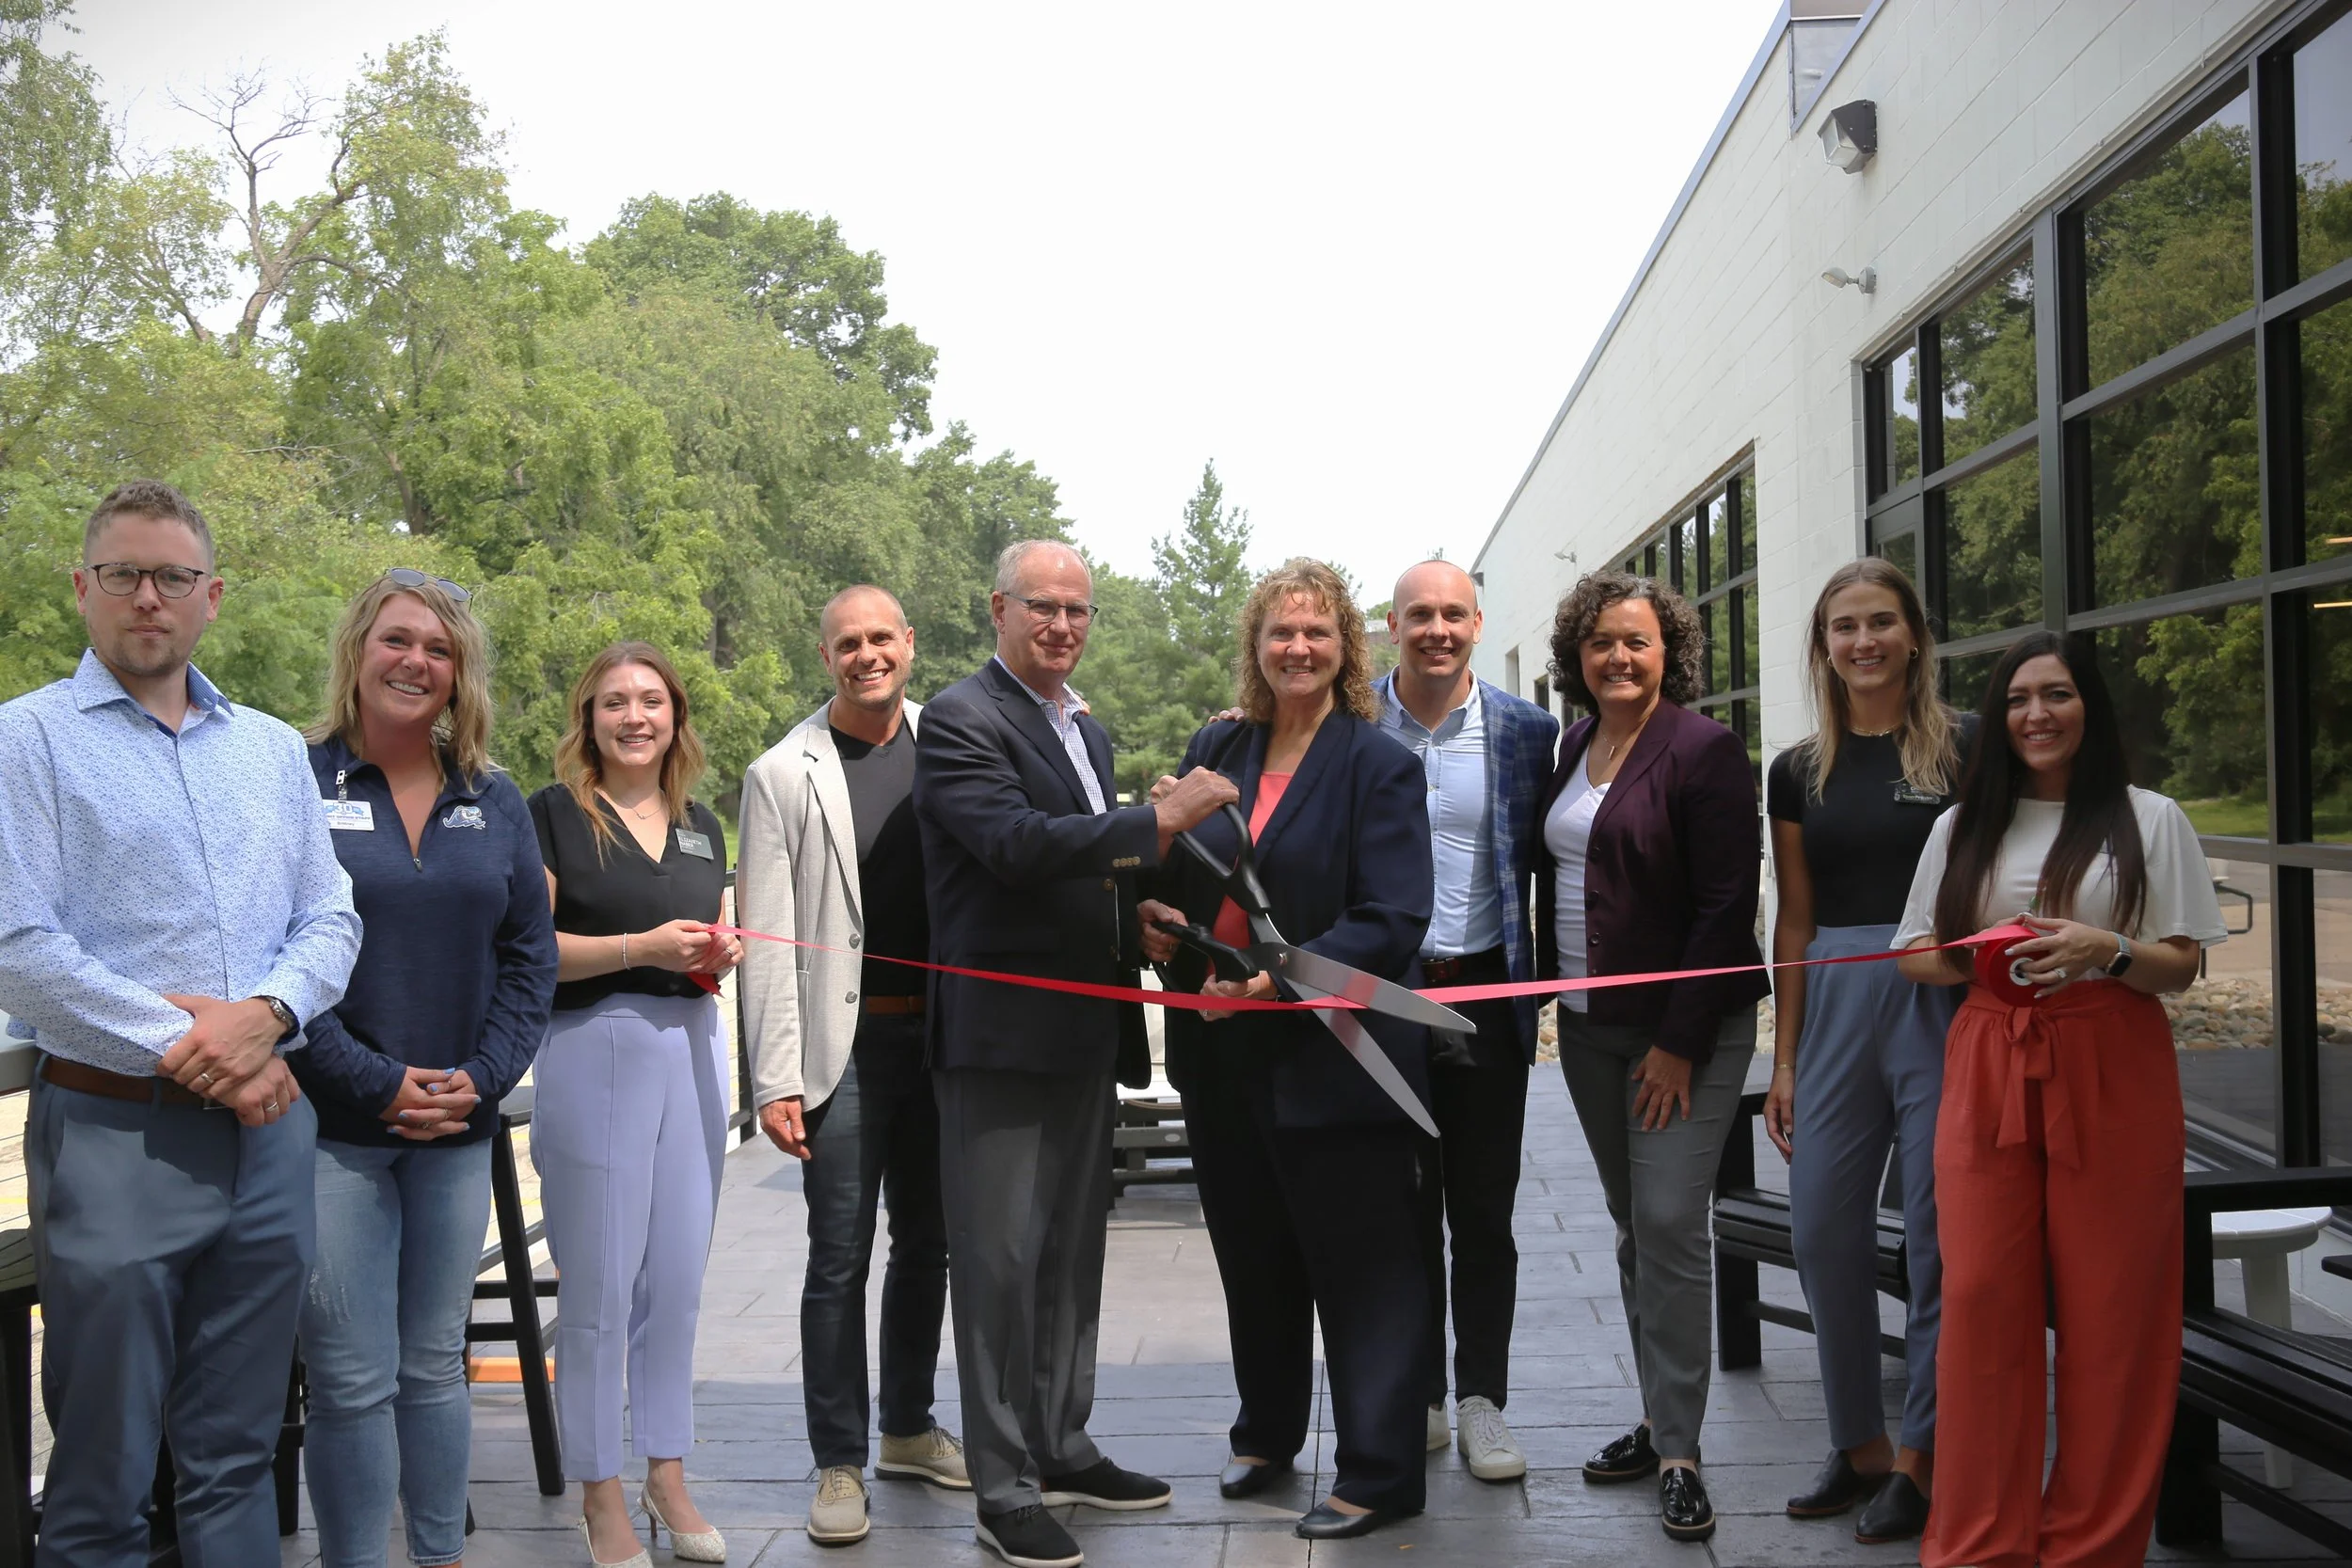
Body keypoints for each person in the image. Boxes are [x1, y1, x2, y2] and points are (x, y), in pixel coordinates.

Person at [0, 480, 361, 1568]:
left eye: (171, 577)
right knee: (103, 1469)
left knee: (237, 1454)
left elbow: (331, 913)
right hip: (117, 1136)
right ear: (83, 589)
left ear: (212, 596)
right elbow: (21, 946)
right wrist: (202, 1049)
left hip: (268, 1139)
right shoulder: (27, 741)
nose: (146, 597)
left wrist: (267, 1013)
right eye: (123, 574)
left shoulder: (264, 748)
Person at [913, 539, 1236, 1568]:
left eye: (1078, 610)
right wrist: (1159, 819)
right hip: (1000, 1039)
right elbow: (1010, 844)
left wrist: (1126, 910)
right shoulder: (962, 718)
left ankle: (1062, 1440)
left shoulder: (1077, 723)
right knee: (1000, 1262)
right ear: (997, 607)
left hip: (1083, 1027)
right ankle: (1002, 1483)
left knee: (1068, 1256)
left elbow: (1071, 862)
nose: (1061, 624)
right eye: (1042, 607)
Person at [1896, 630, 2226, 1568]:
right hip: (1990, 1054)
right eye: (2016, 699)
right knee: (1982, 1298)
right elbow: (1914, 951)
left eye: (2057, 694)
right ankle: (1979, 1538)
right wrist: (1983, 951)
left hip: (2110, 1058)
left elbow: (2179, 964)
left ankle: (2089, 1542)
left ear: (2089, 708)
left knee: (2114, 1310)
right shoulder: (1961, 825)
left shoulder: (2147, 816)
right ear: (1996, 719)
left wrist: (2102, 950)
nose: (2036, 714)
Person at [1140, 558, 1437, 1541]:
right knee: (1252, 1252)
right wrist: (1153, 918)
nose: (1297, 648)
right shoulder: (1215, 743)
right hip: (1221, 1048)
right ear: (1255, 644)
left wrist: (1283, 977)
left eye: (1315, 631)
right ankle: (1265, 1432)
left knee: (1363, 1268)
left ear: (1345, 644)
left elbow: (1392, 914)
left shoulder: (1377, 761)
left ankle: (1380, 1469)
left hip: (1332, 1051)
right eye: (1279, 631)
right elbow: (1185, 871)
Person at [293, 570, 559, 1568]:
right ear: (359, 650)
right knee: (351, 1376)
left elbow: (529, 956)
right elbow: (273, 960)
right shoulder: (296, 780)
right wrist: (374, 1080)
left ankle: (442, 1555)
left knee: (434, 1366)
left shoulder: (491, 798)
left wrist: (483, 1075)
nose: (416, 662)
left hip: (457, 1128)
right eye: (397, 641)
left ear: (460, 675)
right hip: (330, 1134)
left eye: (439, 649)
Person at [1535, 570, 1769, 1544]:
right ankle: (1658, 1414)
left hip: (1687, 1032)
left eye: (1635, 640)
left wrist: (1677, 1042)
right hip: (1590, 1028)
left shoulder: (1705, 750)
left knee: (1671, 1221)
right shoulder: (1574, 743)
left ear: (1668, 649)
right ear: (1576, 657)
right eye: (1599, 642)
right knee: (1636, 1224)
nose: (1617, 658)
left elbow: (1725, 905)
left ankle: (1680, 1454)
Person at [739, 586, 966, 1548]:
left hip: (945, 1044)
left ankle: (908, 1425)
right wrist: (773, 1079)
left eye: (881, 637)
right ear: (826, 652)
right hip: (846, 1050)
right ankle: (838, 1457)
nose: (866, 654)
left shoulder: (954, 742)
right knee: (837, 1259)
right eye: (848, 642)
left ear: (908, 643)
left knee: (928, 1245)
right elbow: (767, 934)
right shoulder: (781, 772)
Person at [1763, 560, 1970, 1544]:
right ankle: (1858, 1445)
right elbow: (1793, 919)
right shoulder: (1797, 769)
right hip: (1838, 1001)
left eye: (1881, 621)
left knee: (1935, 1242)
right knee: (1820, 1233)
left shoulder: (1968, 752)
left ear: (1914, 635)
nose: (1863, 641)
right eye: (1844, 626)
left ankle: (1922, 1457)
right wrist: (1788, 1057)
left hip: (1946, 1003)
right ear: (1824, 645)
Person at [529, 642, 746, 1568]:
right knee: (603, 1288)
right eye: (615, 701)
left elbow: (707, 933)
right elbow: (531, 950)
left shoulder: (702, 822)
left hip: (691, 1044)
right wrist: (641, 945)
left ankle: (667, 1470)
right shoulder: (550, 816)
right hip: (593, 1044)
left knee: (678, 1284)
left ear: (675, 714)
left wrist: (715, 952)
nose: (634, 716)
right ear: (589, 717)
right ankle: (599, 1489)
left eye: (651, 700)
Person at [1377, 560, 1558, 1481]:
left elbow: (1558, 861)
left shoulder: (1529, 730)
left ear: (1478, 622)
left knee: (1481, 1211)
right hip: (1384, 1002)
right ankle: (1417, 1398)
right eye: (1420, 614)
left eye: (1452, 613)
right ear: (1392, 623)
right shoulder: (1351, 724)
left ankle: (1482, 1398)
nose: (1436, 628)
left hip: (1487, 994)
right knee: (1403, 1210)